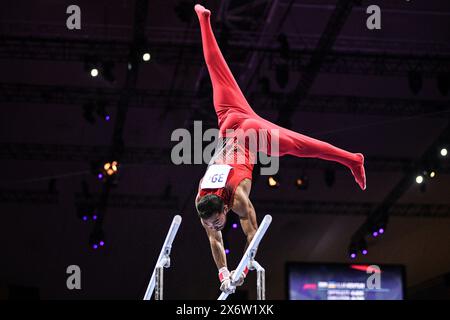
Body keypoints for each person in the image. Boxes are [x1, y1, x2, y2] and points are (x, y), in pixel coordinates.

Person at [193, 4, 366, 294]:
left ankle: (353, 160)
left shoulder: (237, 200)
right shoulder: (203, 205)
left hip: (249, 135)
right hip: (230, 122)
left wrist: (243, 268)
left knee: (301, 146)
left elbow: (253, 235)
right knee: (217, 71)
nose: (214, 226)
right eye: (211, 222)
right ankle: (204, 19)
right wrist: (224, 273)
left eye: (216, 221)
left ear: (225, 207)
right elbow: (214, 240)